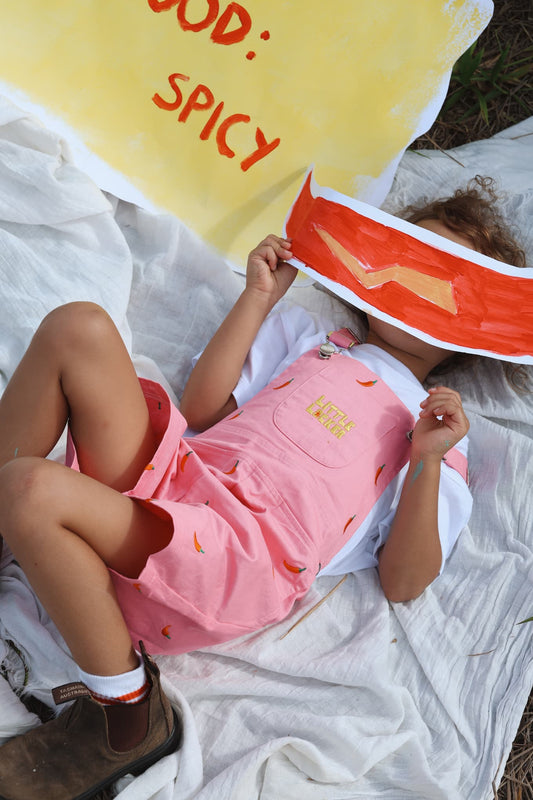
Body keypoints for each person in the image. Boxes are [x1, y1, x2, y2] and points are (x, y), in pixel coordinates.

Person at [0, 180, 525, 800]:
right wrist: (258, 298)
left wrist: (426, 460)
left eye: (445, 286)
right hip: (178, 482)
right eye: (409, 263)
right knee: (77, 327)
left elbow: (404, 581)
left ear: (475, 329)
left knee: (30, 489)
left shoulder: (438, 432)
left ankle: (128, 714)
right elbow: (203, 408)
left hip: (236, 556)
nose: (417, 291)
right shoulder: (315, 340)